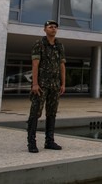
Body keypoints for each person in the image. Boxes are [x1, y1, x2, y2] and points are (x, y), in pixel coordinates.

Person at [26, 20, 66, 153]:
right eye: (50, 27)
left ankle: (49, 141)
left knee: (52, 112)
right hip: (42, 85)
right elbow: (35, 64)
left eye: (55, 27)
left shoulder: (59, 45)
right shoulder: (39, 44)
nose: (53, 29)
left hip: (55, 85)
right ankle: (31, 142)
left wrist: (63, 83)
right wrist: (35, 84)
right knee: (35, 112)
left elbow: (62, 65)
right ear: (45, 29)